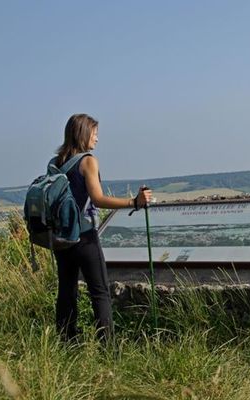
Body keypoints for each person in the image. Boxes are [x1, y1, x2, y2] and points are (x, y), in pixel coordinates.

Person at [53, 113, 152, 342]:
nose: (97, 139)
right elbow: (97, 199)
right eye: (95, 134)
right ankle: (108, 348)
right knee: (100, 292)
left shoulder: (56, 162)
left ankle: (67, 342)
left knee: (67, 291)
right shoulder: (88, 161)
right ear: (83, 133)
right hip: (85, 237)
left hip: (61, 237)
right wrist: (134, 202)